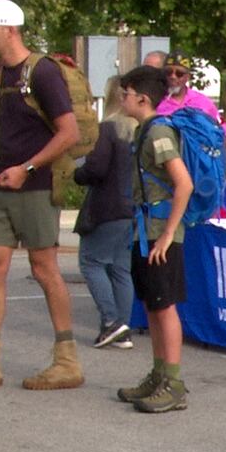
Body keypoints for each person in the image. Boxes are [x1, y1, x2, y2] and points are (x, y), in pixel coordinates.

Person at [0, 0, 85, 392]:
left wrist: (27, 168)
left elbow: (70, 133)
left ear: (10, 29)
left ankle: (67, 360)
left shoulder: (43, 73)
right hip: (0, 185)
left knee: (44, 268)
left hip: (36, 185)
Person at [116, 65, 194, 413]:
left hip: (159, 233)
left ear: (143, 98)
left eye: (126, 93)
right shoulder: (144, 131)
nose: (122, 99)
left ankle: (173, 382)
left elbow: (184, 184)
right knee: (151, 303)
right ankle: (159, 373)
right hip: (144, 231)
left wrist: (166, 236)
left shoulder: (158, 133)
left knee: (164, 306)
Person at [74, 75, 137, 349]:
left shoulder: (108, 130)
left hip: (106, 206)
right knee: (121, 268)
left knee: (92, 261)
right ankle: (123, 325)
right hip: (131, 207)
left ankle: (112, 321)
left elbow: (96, 169)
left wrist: (76, 173)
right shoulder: (139, 130)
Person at [156, 52, 226, 139]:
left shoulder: (203, 102)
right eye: (168, 72)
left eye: (179, 74)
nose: (173, 77)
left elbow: (224, 131)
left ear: (188, 77)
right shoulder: (156, 100)